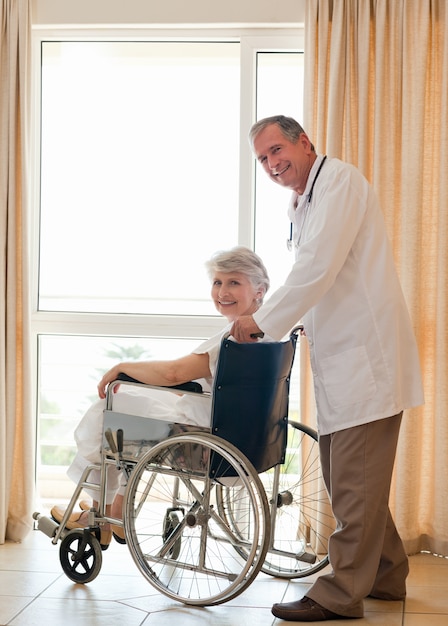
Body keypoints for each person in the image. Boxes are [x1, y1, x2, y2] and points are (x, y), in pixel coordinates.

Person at [230, 115, 424, 621]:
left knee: (354, 484)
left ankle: (340, 593)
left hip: (368, 359)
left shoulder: (338, 182)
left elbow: (318, 268)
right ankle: (387, 573)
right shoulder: (303, 202)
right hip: (344, 362)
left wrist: (262, 322)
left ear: (305, 142)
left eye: (277, 150)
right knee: (350, 480)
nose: (273, 164)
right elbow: (315, 279)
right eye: (263, 159)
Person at [51, 246, 271, 548]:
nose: (222, 291)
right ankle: (113, 504)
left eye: (234, 282)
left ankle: (105, 511)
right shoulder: (272, 335)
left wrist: (122, 367)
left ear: (260, 289)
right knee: (132, 408)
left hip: (210, 432)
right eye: (217, 282)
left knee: (109, 406)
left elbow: (174, 374)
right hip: (248, 434)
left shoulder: (235, 337)